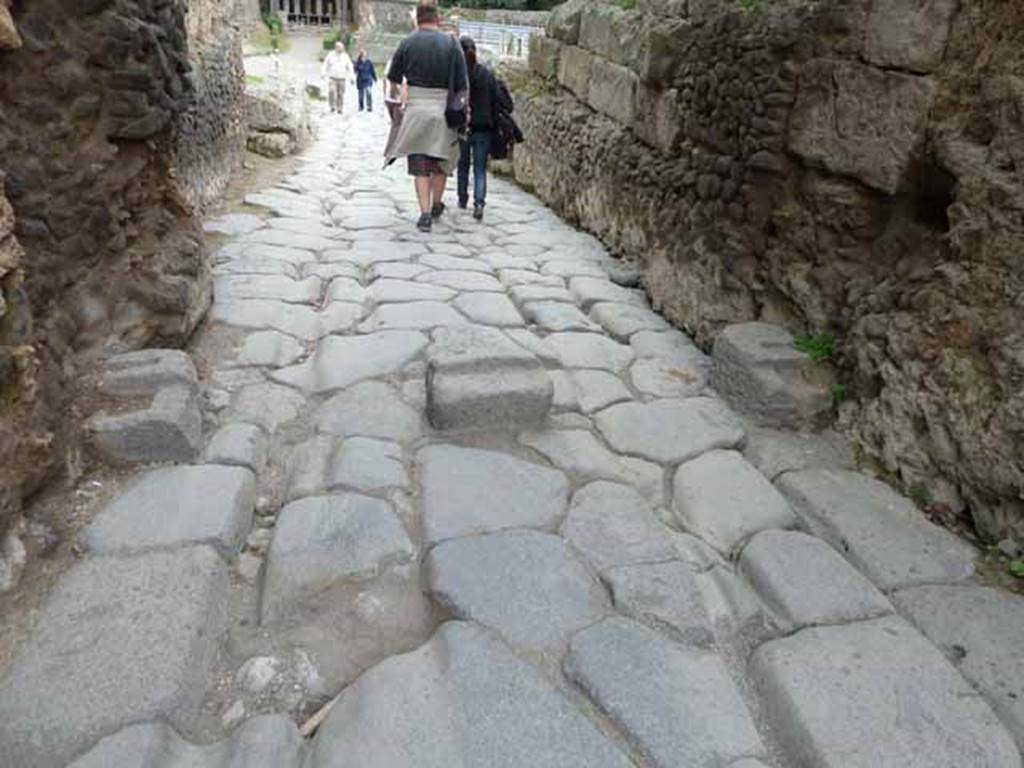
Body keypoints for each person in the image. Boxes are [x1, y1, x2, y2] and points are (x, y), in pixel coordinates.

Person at [384, 2, 468, 232]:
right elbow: (462, 84)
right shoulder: (451, 43)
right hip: (443, 111)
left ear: (417, 19)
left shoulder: (408, 42)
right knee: (440, 163)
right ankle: (436, 203)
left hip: (416, 111)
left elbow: (393, 78)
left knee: (420, 165)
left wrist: (399, 98)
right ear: (438, 18)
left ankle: (424, 214)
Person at [456, 36, 512, 221]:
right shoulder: (487, 74)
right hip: (483, 128)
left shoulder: (458, 76)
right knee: (480, 168)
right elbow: (499, 99)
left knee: (462, 165)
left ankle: (462, 197)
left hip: (463, 127)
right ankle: (479, 203)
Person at [322, 41, 354, 114]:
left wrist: (352, 77)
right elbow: (325, 64)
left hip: (342, 78)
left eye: (342, 48)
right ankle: (332, 106)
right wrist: (323, 73)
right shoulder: (330, 55)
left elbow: (350, 66)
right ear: (336, 48)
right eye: (340, 48)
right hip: (332, 77)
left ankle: (340, 108)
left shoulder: (345, 56)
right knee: (331, 91)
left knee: (341, 94)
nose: (341, 49)